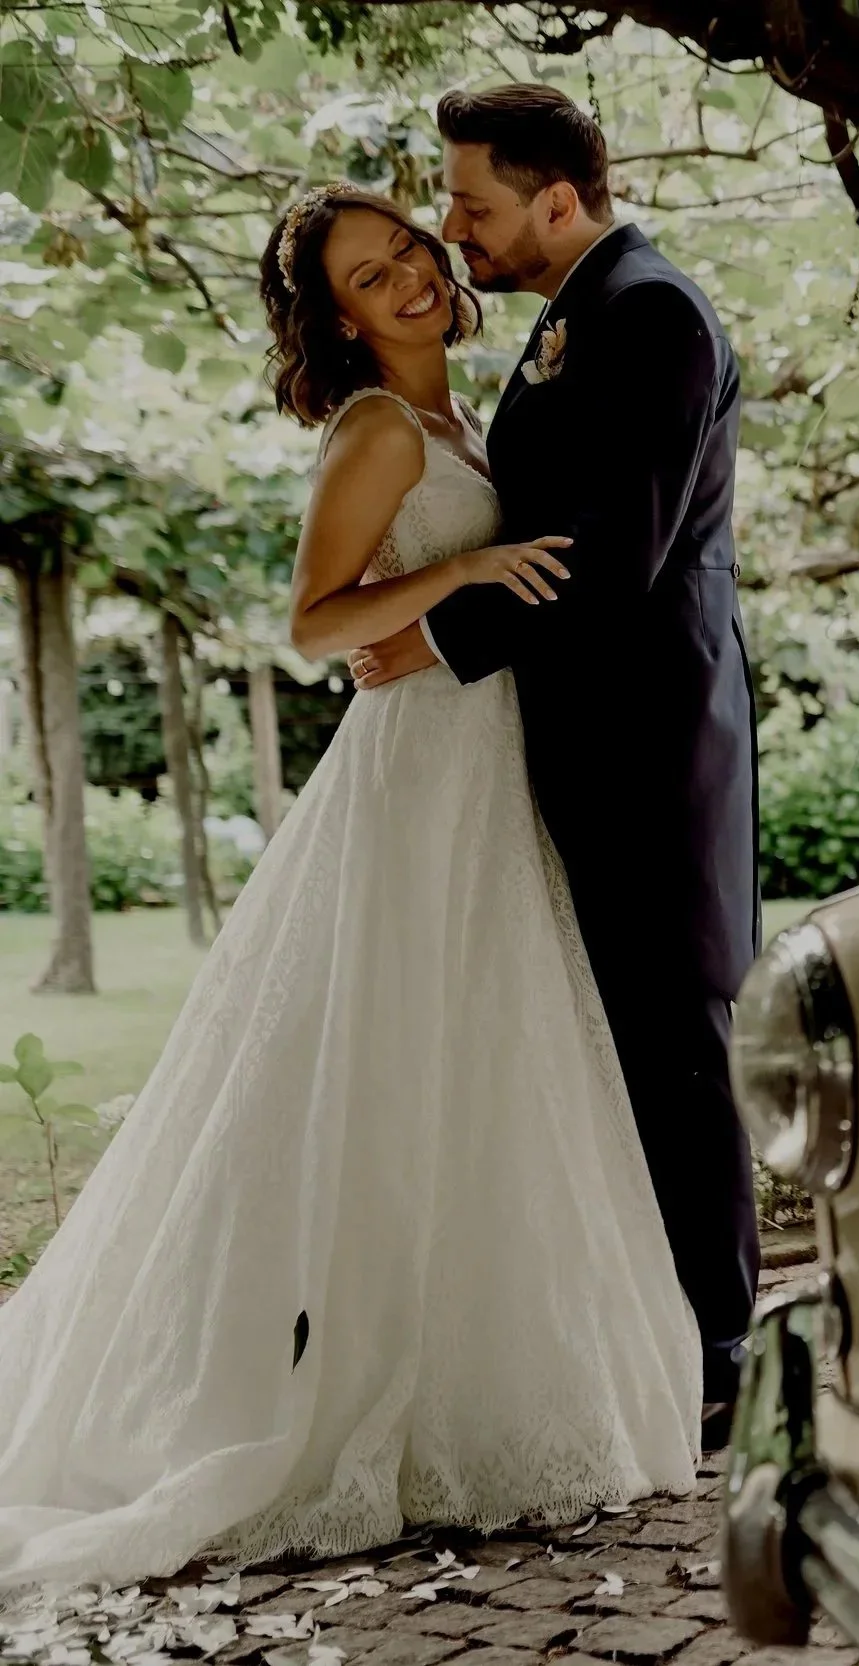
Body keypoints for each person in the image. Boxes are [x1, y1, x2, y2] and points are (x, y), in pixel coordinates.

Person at [0, 181, 699, 1587]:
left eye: (410, 256)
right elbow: (316, 623)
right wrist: (469, 572)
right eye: (371, 281)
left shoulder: (465, 414)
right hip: (412, 774)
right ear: (338, 318)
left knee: (478, 1063)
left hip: (482, 766)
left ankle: (469, 1375)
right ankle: (318, 1390)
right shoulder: (377, 428)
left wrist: (474, 579)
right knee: (379, 1063)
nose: (409, 283)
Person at [349, 85, 761, 1434]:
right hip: (573, 733)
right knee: (607, 1043)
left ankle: (712, 1360)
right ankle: (642, 1328)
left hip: (650, 741)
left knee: (675, 1042)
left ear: (559, 202)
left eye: (470, 204)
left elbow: (612, 548)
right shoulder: (573, 314)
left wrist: (430, 640)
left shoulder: (650, 313)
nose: (450, 230)